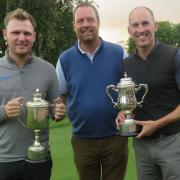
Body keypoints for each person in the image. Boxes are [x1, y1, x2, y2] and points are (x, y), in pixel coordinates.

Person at [55, 2, 128, 180]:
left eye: (90, 19)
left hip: (116, 137)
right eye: (80, 21)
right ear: (74, 25)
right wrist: (57, 111)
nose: (85, 24)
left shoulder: (119, 52)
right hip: (82, 140)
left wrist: (125, 111)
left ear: (98, 22)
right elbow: (61, 96)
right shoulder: (65, 59)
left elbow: (130, 92)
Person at [0, 8, 66, 180]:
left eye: (27, 33)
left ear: (34, 36)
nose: (22, 38)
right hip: (4, 160)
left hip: (40, 157)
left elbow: (55, 110)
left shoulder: (48, 69)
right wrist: (4, 111)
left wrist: (58, 113)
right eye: (15, 32)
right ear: (5, 34)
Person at [116, 6, 180, 180]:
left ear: (155, 26)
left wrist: (157, 124)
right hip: (141, 146)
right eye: (135, 25)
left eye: (145, 23)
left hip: (172, 143)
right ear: (130, 31)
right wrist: (123, 112)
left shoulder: (174, 55)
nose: (141, 29)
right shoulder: (126, 64)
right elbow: (132, 102)